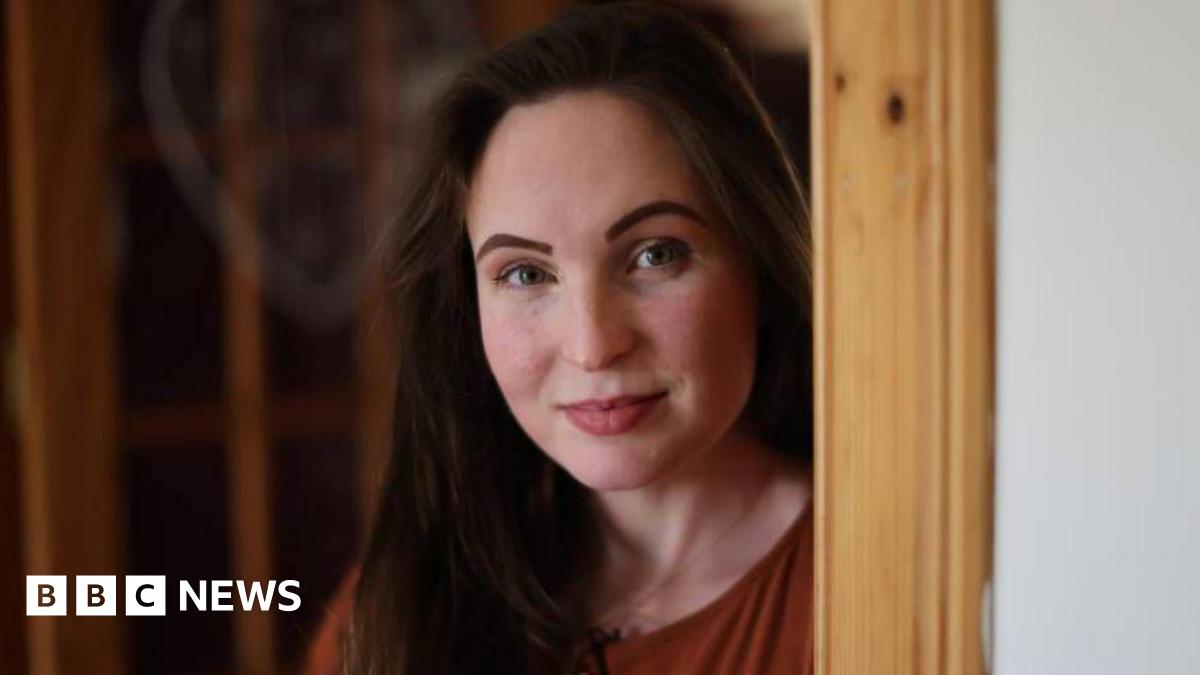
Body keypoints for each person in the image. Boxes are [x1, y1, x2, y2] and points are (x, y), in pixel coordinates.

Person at [344, 2, 813, 673]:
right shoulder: (402, 606)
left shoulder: (876, 580)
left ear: (759, 268)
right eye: (527, 273)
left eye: (656, 255)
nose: (593, 346)